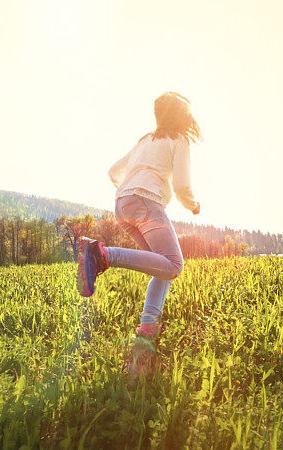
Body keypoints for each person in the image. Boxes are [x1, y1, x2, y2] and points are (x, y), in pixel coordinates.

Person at [76, 92, 202, 373]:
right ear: (182, 116)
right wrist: (193, 205)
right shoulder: (179, 140)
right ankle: (102, 254)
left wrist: (129, 191)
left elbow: (113, 171)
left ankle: (147, 328)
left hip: (123, 205)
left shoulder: (146, 140)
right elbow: (182, 185)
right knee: (173, 264)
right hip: (146, 203)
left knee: (160, 266)